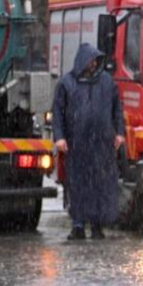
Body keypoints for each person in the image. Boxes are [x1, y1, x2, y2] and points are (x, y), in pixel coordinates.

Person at [52, 43, 125, 240]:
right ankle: (78, 225)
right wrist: (59, 137)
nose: (93, 64)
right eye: (91, 60)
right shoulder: (66, 83)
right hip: (77, 144)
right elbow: (57, 112)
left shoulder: (107, 82)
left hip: (102, 144)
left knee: (100, 185)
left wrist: (119, 132)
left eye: (95, 61)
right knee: (78, 185)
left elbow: (117, 109)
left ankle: (97, 225)